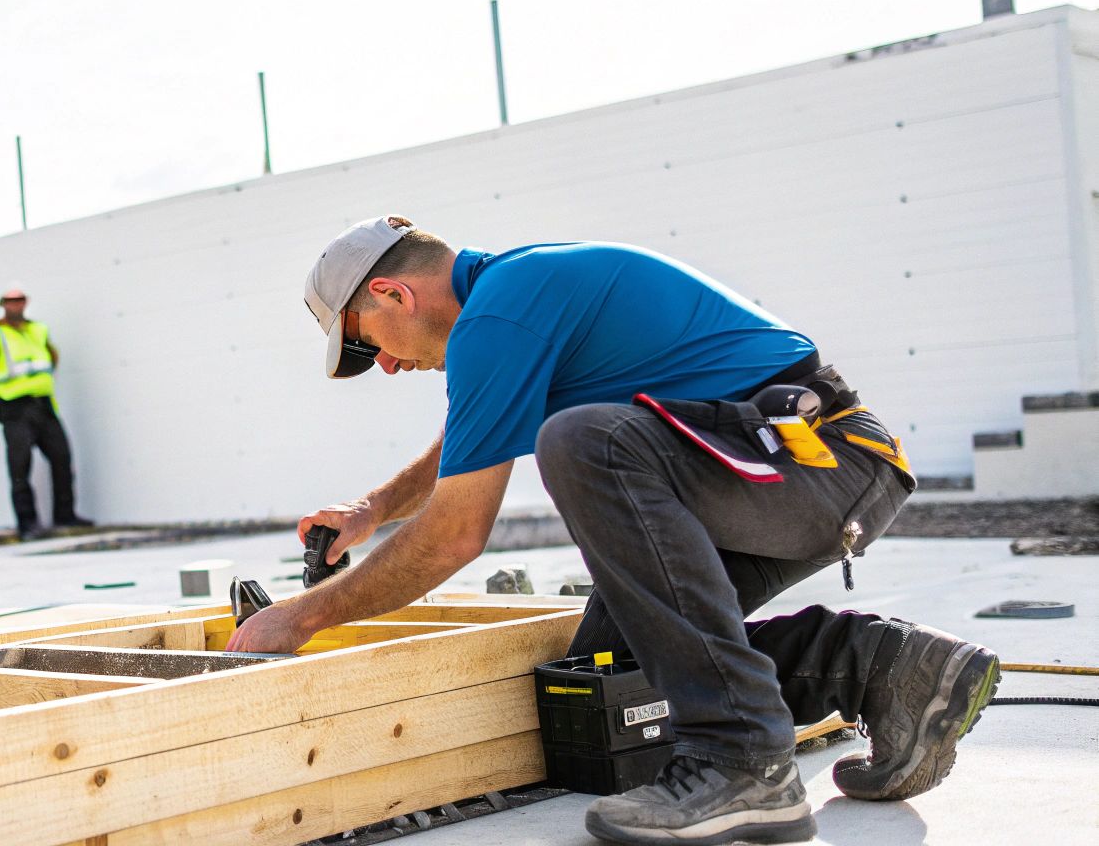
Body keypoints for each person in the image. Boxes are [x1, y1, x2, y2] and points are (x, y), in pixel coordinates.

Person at [226, 216, 1000, 846]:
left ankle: (742, 762)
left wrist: (301, 618)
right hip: (780, 466)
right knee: (609, 678)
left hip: (819, 463)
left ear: (394, 292)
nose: (385, 367)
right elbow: (470, 437)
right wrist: (371, 511)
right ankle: (887, 668)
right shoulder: (515, 298)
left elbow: (458, 534)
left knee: (582, 438)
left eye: (368, 343)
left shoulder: (504, 309)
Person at [0, 287, 90, 537]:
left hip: (44, 404)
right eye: (10, 301)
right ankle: (27, 524)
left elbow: (52, 355)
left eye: (19, 300)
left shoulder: (38, 329)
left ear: (25, 303)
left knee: (62, 458)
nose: (15, 305)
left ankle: (65, 516)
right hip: (14, 407)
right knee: (19, 467)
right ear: (2, 304)